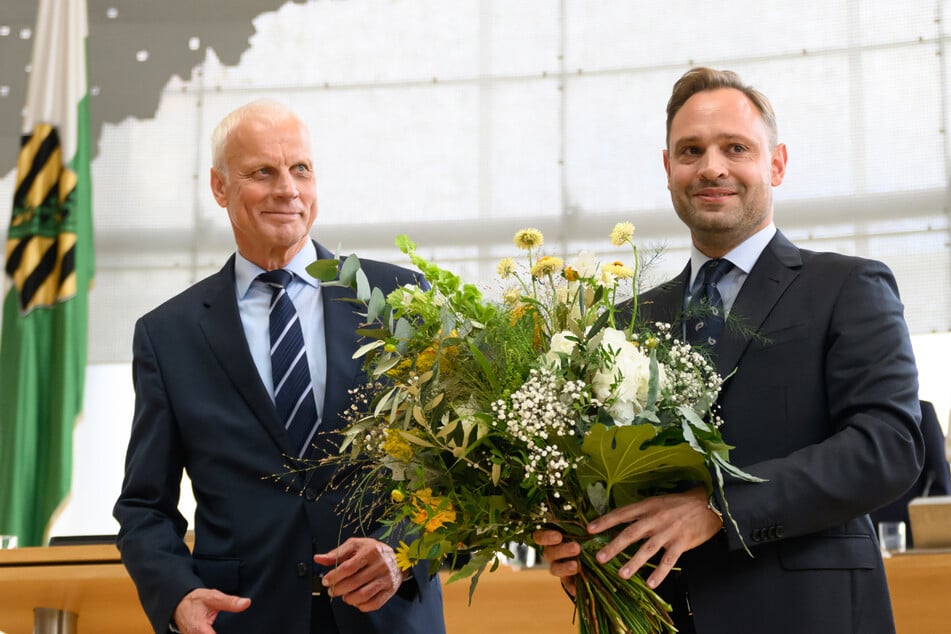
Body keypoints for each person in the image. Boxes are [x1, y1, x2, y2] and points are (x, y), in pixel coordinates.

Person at [535, 67, 924, 633]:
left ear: (776, 163)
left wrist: (719, 507)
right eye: (690, 150)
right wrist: (583, 545)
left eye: (735, 147)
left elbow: (888, 448)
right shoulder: (623, 323)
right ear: (668, 169)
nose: (711, 167)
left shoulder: (848, 287)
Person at [114, 100, 445, 633]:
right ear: (220, 188)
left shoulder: (401, 299)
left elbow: (455, 468)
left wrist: (401, 552)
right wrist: (177, 594)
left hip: (388, 618)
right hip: (246, 619)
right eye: (262, 172)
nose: (287, 189)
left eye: (301, 170)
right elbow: (143, 506)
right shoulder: (167, 335)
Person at [871, 400, 951, 547]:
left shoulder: (922, 413)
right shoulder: (851, 417)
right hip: (864, 540)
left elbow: (940, 484)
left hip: (910, 539)